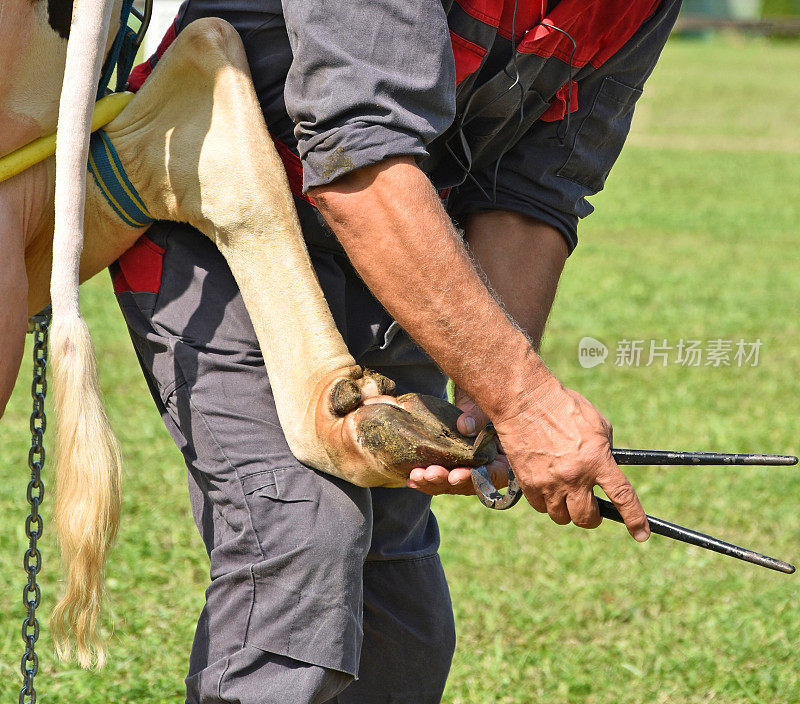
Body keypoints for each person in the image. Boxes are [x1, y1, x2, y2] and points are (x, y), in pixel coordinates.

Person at [113, 0, 682, 701]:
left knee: (401, 629)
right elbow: (361, 153)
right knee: (304, 541)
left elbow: (536, 185)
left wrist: (490, 402)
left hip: (404, 245)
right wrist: (525, 398)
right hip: (221, 215)